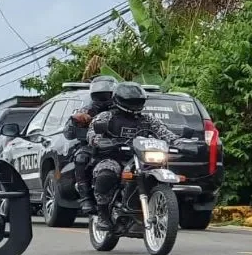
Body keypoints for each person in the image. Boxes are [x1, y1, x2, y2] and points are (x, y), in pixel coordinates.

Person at [86, 82, 183, 230]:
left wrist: (179, 142)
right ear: (119, 100)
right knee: (106, 174)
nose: (135, 104)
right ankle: (103, 214)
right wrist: (99, 140)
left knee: (160, 167)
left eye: (138, 101)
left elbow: (164, 132)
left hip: (141, 158)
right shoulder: (106, 116)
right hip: (113, 157)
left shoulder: (147, 119)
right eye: (131, 101)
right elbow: (92, 132)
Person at [63, 75, 118, 214]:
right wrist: (74, 121)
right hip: (94, 146)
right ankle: (86, 197)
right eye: (99, 95)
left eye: (106, 94)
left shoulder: (123, 108)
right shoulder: (86, 110)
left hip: (121, 144)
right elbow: (68, 133)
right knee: (81, 157)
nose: (103, 97)